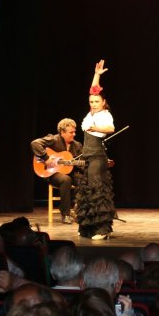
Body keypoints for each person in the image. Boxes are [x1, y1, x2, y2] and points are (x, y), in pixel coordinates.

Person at [76, 59, 116, 239]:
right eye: (91, 101)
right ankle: (88, 228)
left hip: (98, 156)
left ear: (103, 102)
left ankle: (103, 229)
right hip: (87, 156)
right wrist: (97, 76)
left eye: (97, 101)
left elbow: (111, 129)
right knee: (87, 192)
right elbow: (93, 90)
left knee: (97, 191)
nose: (93, 103)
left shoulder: (105, 115)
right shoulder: (91, 114)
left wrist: (97, 129)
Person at [31, 118, 83, 224]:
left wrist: (87, 164)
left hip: (70, 172)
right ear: (62, 132)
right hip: (52, 173)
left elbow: (81, 162)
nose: (74, 134)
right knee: (65, 179)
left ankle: (78, 209)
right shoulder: (54, 139)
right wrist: (46, 158)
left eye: (74, 131)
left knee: (84, 180)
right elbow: (35, 143)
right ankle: (66, 214)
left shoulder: (77, 145)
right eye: (71, 132)